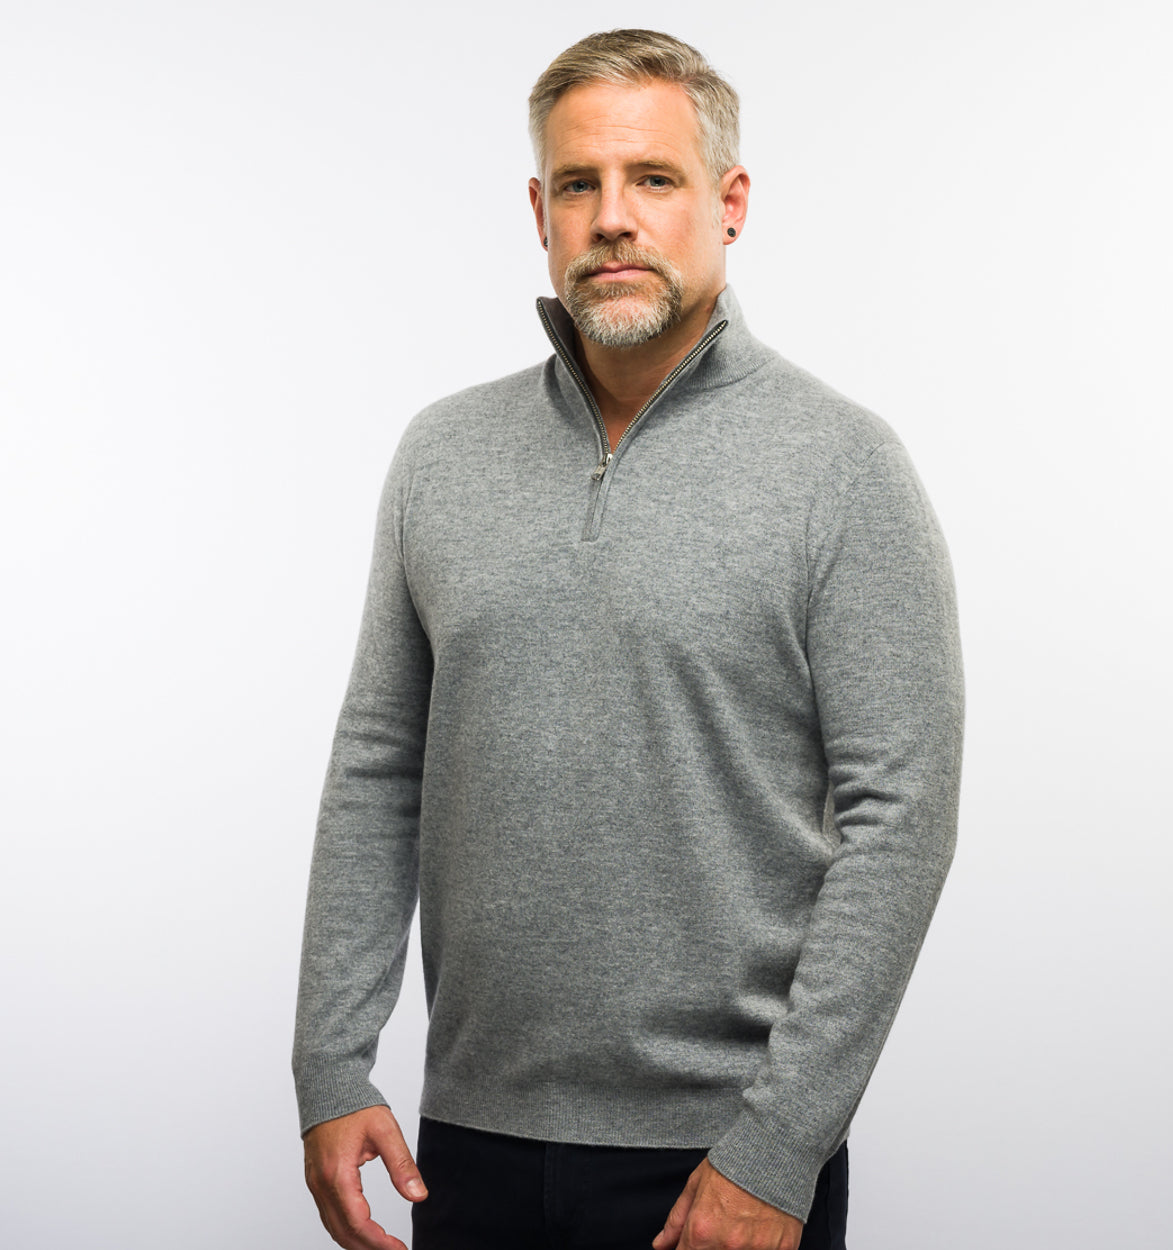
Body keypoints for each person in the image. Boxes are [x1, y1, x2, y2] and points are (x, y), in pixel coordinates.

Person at [294, 28, 963, 1250]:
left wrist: (777, 1146)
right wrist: (330, 1063)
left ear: (728, 201)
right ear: (538, 211)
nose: (611, 218)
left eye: (652, 178)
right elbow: (376, 768)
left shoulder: (841, 466)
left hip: (721, 1161)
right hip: (467, 1145)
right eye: (577, 183)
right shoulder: (441, 455)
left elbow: (899, 817)